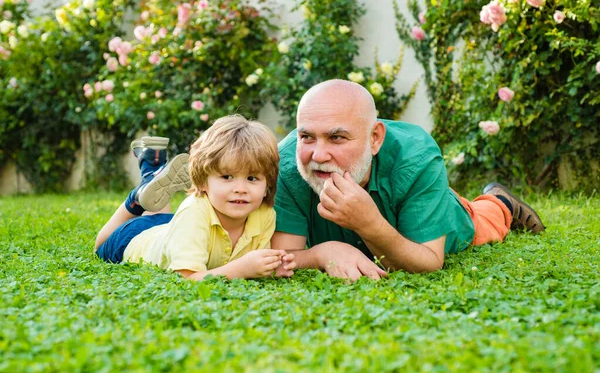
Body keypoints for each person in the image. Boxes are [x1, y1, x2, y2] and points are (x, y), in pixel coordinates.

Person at [270, 79, 545, 281]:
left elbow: (429, 261)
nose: (318, 154)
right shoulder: (288, 162)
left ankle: (500, 201)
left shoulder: (416, 157)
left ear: (375, 138)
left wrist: (368, 222)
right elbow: (284, 256)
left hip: (450, 217)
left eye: (337, 137)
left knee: (480, 220)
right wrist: (324, 252)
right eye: (307, 136)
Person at [95, 115, 296, 280]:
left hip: (173, 227)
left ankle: (153, 170)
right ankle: (138, 196)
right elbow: (185, 277)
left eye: (252, 178)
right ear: (201, 182)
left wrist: (270, 268)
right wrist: (241, 270)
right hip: (134, 238)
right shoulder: (193, 213)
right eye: (227, 177)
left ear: (267, 184)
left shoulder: (264, 214)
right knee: (100, 247)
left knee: (169, 217)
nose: (240, 189)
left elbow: (253, 266)